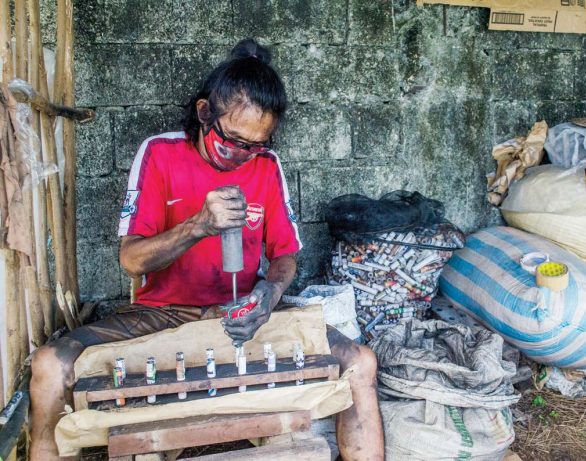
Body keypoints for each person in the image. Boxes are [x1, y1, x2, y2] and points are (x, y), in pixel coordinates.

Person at [29, 38, 384, 461]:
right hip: (157, 315)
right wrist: (198, 225)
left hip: (238, 314)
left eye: (256, 144)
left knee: (360, 361)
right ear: (203, 114)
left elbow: (285, 254)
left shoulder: (267, 166)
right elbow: (131, 260)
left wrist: (268, 296)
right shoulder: (160, 153)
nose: (241, 155)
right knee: (51, 366)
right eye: (232, 140)